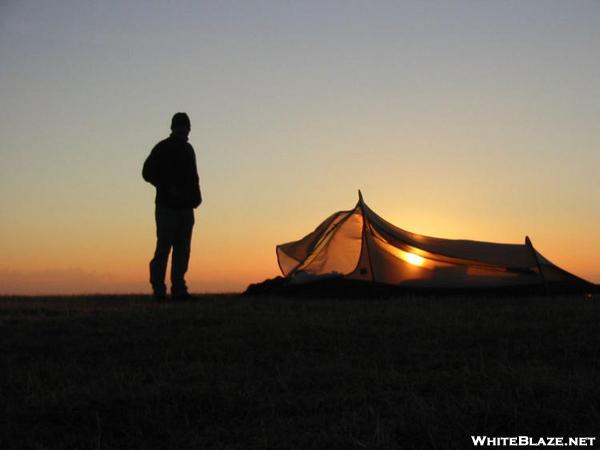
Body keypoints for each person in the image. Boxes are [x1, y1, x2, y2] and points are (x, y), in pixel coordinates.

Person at [142, 112, 202, 300]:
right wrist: (167, 187)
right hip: (167, 208)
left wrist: (196, 198)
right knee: (164, 248)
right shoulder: (162, 148)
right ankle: (159, 290)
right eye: (182, 126)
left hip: (186, 209)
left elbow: (194, 177)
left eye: (186, 127)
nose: (185, 130)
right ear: (174, 127)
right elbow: (147, 172)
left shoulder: (188, 150)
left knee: (182, 251)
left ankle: (179, 289)